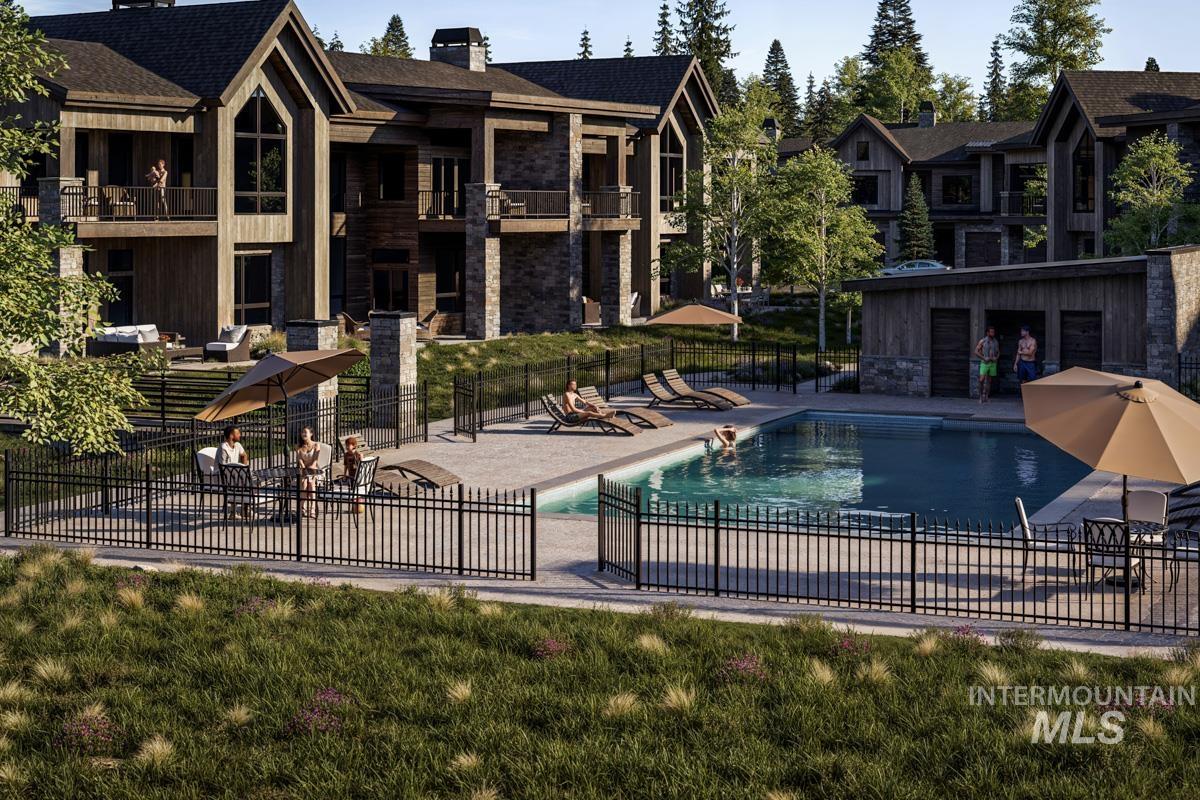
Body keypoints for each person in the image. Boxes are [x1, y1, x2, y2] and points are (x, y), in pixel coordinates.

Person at [295, 426, 321, 518]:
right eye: (303, 432)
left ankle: (312, 508)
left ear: (311, 434)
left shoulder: (316, 445)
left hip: (314, 469)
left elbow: (315, 460)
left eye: (306, 432)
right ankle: (303, 508)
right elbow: (300, 460)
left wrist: (310, 469)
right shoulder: (298, 446)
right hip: (303, 469)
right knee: (305, 483)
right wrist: (304, 469)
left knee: (311, 483)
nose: (304, 434)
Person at [974, 326, 1000, 404]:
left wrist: (996, 358)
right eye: (991, 332)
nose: (993, 333)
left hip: (992, 363)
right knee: (981, 380)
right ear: (987, 333)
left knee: (989, 381)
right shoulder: (982, 341)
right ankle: (980, 397)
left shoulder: (995, 341)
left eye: (993, 332)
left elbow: (998, 352)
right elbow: (976, 351)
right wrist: (984, 358)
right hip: (984, 363)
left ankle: (986, 397)